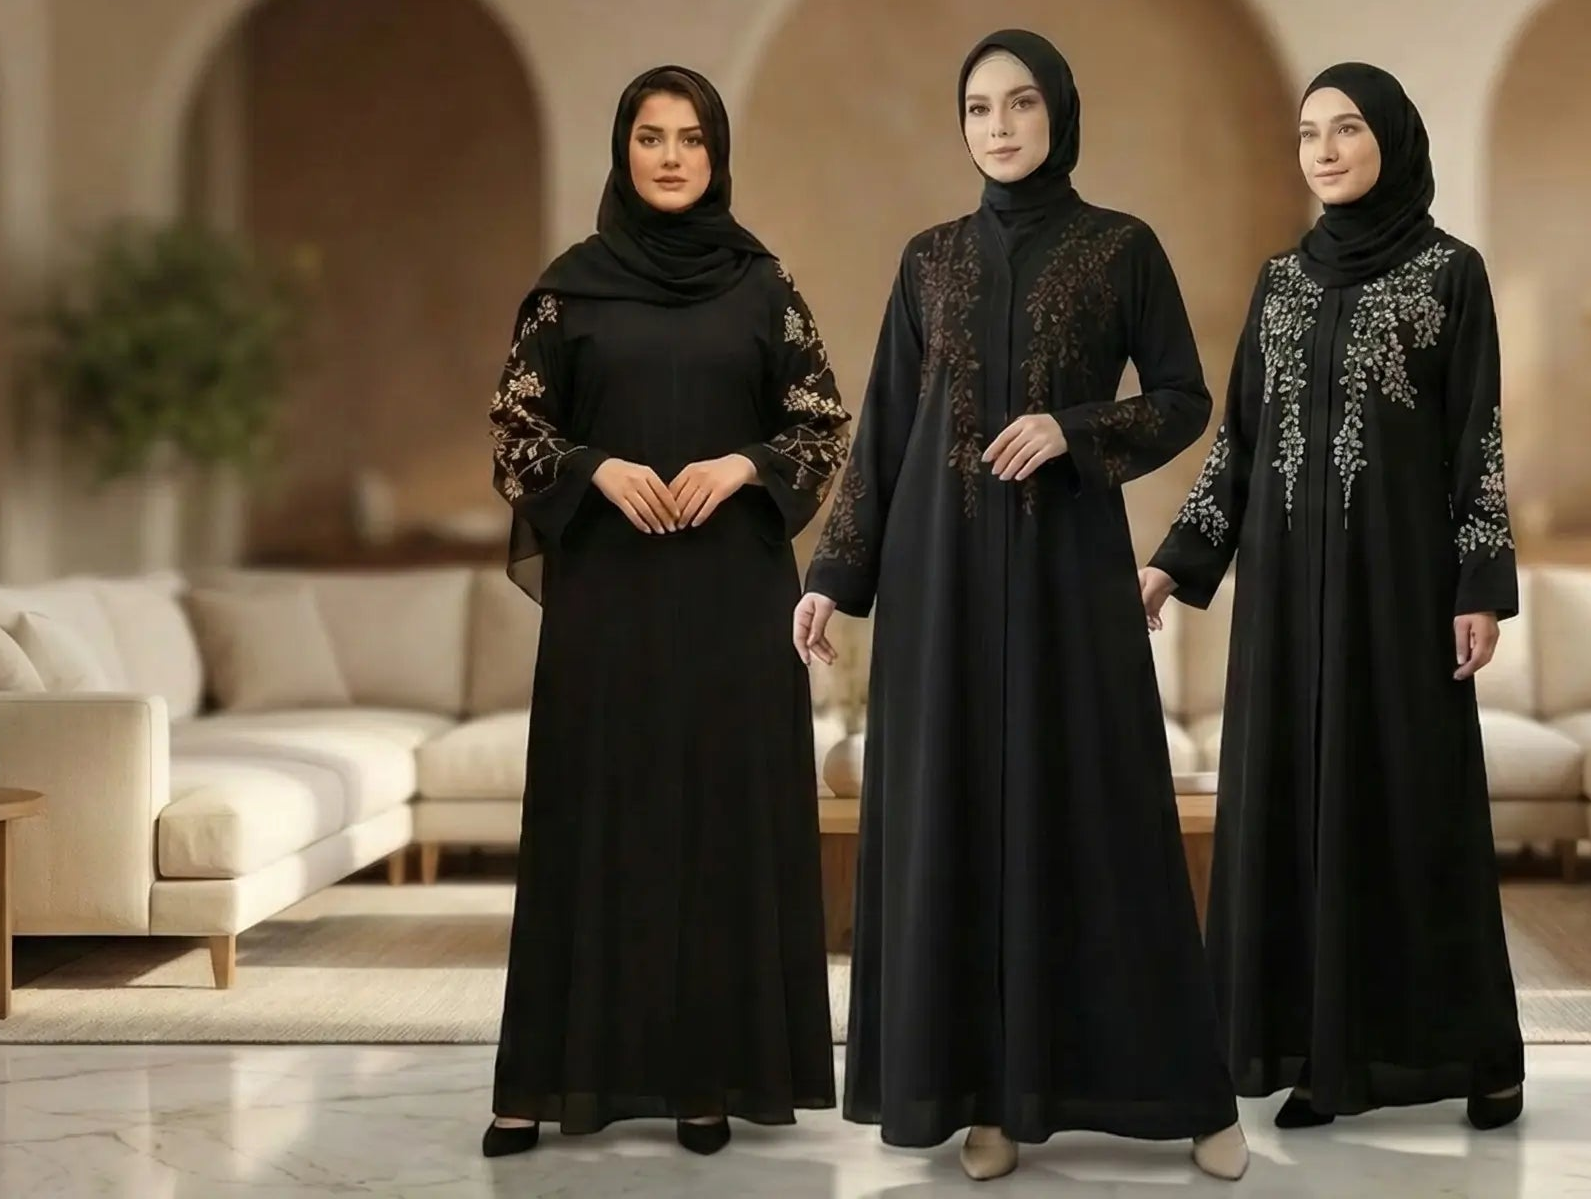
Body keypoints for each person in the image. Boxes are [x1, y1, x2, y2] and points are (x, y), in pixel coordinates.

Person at [793, 28, 1249, 1183]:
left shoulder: (1117, 249)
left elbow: (1186, 399)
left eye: (1021, 104)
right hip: (939, 591)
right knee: (961, 829)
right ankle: (986, 1100)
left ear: (1059, 116)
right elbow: (886, 433)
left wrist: (1074, 429)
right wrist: (833, 581)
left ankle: (1196, 1100)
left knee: (1104, 824)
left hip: (1066, 584)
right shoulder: (927, 259)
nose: (999, 126)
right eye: (979, 108)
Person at [1140, 61, 1528, 1134]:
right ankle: (1317, 1057)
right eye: (1308, 132)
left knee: (1412, 815)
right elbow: (1241, 445)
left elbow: (1476, 443)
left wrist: (1478, 585)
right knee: (1296, 816)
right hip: (1284, 605)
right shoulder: (1283, 281)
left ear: (1391, 139)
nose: (1321, 149)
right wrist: (1174, 559)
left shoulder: (1451, 274)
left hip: (1398, 595)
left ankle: (1479, 1057)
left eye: (1345, 129)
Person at [484, 63, 849, 1159]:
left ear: (716, 151)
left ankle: (707, 1081)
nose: (673, 156)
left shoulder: (763, 286)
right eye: (651, 136)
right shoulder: (568, 288)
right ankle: (538, 1087)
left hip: (734, 598)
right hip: (610, 599)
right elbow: (513, 432)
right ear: (623, 149)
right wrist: (593, 468)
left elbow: (824, 425)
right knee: (594, 820)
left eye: (691, 137)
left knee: (717, 828)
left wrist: (743, 465)